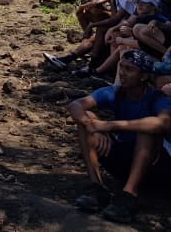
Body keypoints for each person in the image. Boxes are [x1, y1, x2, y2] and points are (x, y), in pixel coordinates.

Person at [67, 50, 171, 223]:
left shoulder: (157, 98)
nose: (122, 73)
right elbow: (75, 105)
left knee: (147, 129)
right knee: (87, 119)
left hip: (157, 166)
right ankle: (97, 187)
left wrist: (111, 125)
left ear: (143, 76)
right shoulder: (115, 92)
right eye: (121, 67)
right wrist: (94, 127)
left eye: (129, 69)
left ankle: (129, 195)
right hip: (124, 159)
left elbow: (163, 123)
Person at [43, 0, 120, 69]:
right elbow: (98, 4)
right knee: (89, 16)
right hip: (115, 23)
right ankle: (74, 55)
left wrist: (92, 24)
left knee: (98, 30)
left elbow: (114, 18)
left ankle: (86, 62)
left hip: (119, 25)